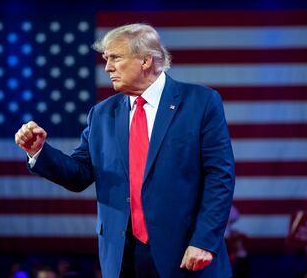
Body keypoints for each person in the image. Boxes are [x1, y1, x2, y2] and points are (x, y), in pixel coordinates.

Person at [15, 23, 235, 278]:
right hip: (123, 257)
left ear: (146, 60)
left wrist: (205, 241)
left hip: (186, 252)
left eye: (115, 58)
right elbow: (79, 174)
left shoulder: (200, 102)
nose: (107, 67)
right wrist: (39, 151)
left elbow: (220, 176)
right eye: (106, 59)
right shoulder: (102, 114)